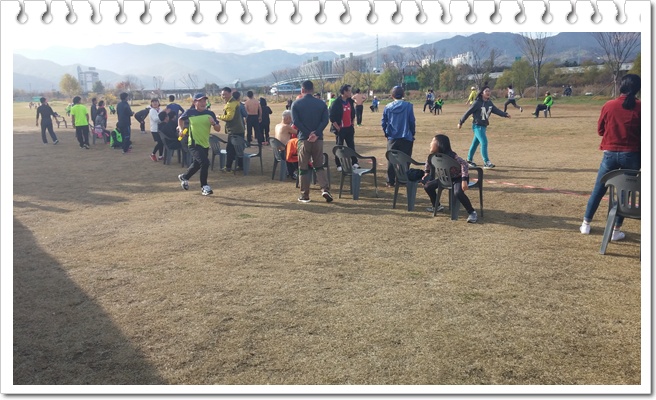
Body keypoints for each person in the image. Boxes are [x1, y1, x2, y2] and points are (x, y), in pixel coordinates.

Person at [580, 74, 641, 241]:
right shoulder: (641, 107)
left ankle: (586, 223)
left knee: (599, 189)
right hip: (632, 155)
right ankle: (615, 230)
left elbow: (601, 130)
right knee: (625, 192)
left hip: (610, 154)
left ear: (621, 86)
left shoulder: (609, 105)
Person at [290, 80, 332, 203]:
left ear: (302, 90)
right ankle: (325, 189)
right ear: (312, 90)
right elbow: (325, 120)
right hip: (318, 139)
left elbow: (296, 122)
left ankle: (305, 194)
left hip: (304, 139)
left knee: (303, 167)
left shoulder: (296, 104)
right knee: (319, 165)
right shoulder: (321, 104)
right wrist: (316, 133)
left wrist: (308, 133)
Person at [422, 134, 478, 223]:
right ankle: (437, 206)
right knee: (428, 186)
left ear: (439, 144)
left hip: (458, 178)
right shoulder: (433, 156)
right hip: (445, 178)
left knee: (458, 192)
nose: (430, 143)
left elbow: (464, 164)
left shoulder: (452, 155)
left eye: (433, 141)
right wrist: (426, 173)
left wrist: (464, 180)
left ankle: (472, 212)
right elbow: (428, 162)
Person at [177, 93, 221, 196]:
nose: (203, 103)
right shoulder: (190, 112)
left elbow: (218, 129)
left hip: (205, 143)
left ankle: (184, 177)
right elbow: (180, 119)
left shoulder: (210, 113)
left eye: (204, 101)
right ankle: (204, 187)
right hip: (193, 143)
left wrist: (214, 123)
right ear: (195, 102)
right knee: (205, 163)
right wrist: (181, 129)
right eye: (200, 101)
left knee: (197, 164)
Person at [457, 86, 510, 169]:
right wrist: (461, 122)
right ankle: (486, 162)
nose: (488, 92)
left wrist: (505, 114)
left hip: (483, 126)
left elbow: (496, 110)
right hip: (477, 126)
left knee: (475, 143)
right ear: (482, 93)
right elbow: (468, 112)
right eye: (486, 91)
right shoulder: (477, 103)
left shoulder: (489, 103)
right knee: (484, 142)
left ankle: (469, 160)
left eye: (489, 91)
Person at [382, 86, 416, 187]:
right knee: (405, 159)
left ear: (392, 95)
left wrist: (386, 133)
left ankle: (390, 181)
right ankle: (403, 179)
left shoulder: (388, 107)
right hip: (406, 136)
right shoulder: (408, 106)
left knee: (391, 159)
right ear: (403, 94)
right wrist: (412, 133)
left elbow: (384, 122)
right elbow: (411, 121)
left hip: (392, 137)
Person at [329, 84, 358, 171]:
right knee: (339, 146)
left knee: (351, 146)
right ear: (344, 92)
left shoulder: (350, 101)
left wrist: (352, 123)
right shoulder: (336, 103)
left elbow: (353, 113)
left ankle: (355, 162)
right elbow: (331, 116)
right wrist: (337, 127)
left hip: (349, 128)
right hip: (340, 129)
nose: (350, 92)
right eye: (349, 91)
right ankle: (338, 164)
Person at [216, 87, 245, 172]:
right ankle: (240, 165)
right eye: (222, 95)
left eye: (225, 94)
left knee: (230, 149)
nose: (223, 96)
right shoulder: (235, 102)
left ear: (230, 94)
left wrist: (219, 116)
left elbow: (229, 117)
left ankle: (228, 167)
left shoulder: (230, 104)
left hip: (234, 130)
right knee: (239, 148)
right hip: (240, 129)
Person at [274, 110, 299, 179]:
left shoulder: (277, 126)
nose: (291, 121)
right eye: (291, 118)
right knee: (300, 153)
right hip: (285, 153)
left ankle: (290, 171)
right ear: (288, 118)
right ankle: (297, 172)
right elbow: (298, 132)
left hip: (278, 152)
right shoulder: (286, 127)